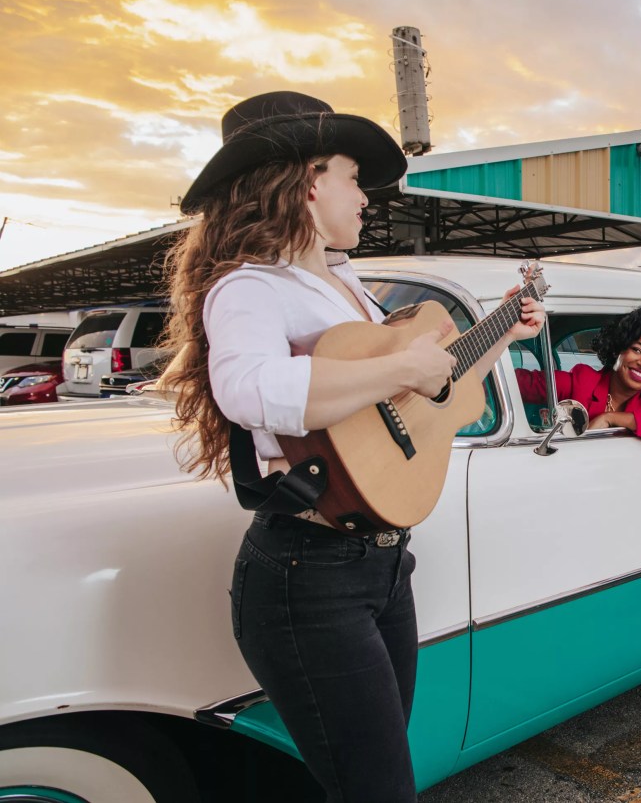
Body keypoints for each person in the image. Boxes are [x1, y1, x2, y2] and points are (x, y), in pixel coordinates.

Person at [161, 91, 544, 802]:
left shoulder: (347, 289)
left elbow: (430, 390)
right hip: (308, 575)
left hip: (383, 565)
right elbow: (247, 388)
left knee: (372, 778)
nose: (366, 198)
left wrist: (502, 335)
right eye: (352, 177)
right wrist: (401, 369)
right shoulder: (249, 286)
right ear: (308, 181)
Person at [514, 306, 641, 448]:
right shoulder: (581, 382)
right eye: (637, 350)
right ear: (619, 349)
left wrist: (611, 418)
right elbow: (517, 383)